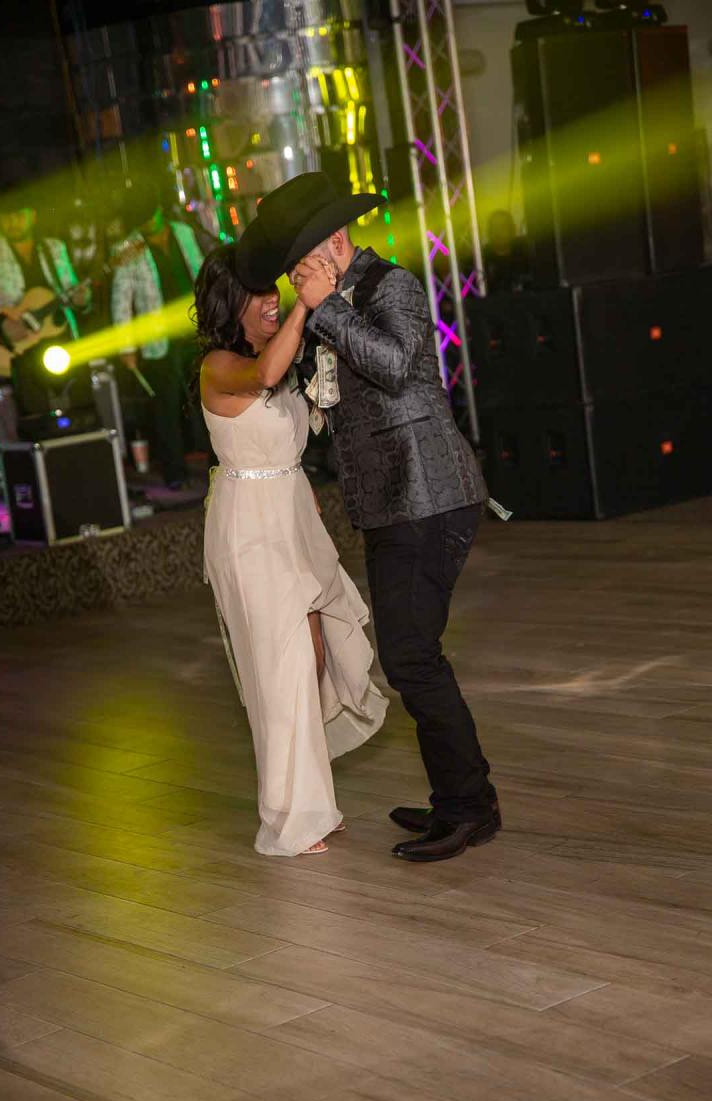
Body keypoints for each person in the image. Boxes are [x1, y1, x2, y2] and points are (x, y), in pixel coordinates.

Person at [235, 172, 500, 864]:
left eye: (300, 263)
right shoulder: (332, 304)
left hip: (429, 494)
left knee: (411, 656)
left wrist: (324, 307)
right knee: (410, 654)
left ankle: (470, 807)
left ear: (334, 241)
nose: (295, 278)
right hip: (390, 504)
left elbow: (395, 365)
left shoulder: (391, 286)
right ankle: (459, 796)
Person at [194, 244, 387, 857]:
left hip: (293, 516)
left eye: (273, 289)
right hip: (251, 529)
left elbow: (290, 401)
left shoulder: (275, 357)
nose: (272, 300)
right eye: (258, 293)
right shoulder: (219, 366)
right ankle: (289, 818)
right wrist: (309, 305)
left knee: (313, 658)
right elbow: (263, 378)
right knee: (281, 670)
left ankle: (312, 800)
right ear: (230, 304)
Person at [111, 180, 205, 487]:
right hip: (159, 339)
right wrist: (126, 347)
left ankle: (218, 465)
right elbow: (121, 299)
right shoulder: (128, 247)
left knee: (208, 399)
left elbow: (201, 270)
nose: (147, 224)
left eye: (150, 217)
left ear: (159, 211)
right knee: (166, 407)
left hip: (195, 327)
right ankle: (174, 474)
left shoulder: (183, 232)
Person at [0, 195, 88, 352]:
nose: (13, 223)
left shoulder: (54, 247)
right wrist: (1, 320)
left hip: (59, 336)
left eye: (19, 216)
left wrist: (82, 299)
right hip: (19, 346)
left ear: (32, 217)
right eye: (6, 217)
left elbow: (70, 291)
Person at [482, 209, 531, 292]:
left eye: (503, 227)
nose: (498, 232)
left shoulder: (526, 254)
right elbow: (466, 292)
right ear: (488, 232)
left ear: (512, 229)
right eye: (494, 228)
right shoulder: (481, 259)